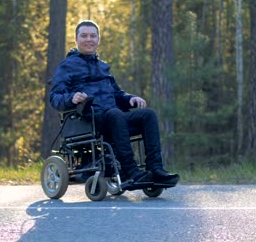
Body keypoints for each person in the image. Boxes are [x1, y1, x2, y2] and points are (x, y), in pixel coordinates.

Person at [49, 20, 179, 185]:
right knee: (115, 114)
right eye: (84, 36)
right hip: (89, 120)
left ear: (98, 39)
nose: (89, 39)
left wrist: (130, 98)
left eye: (92, 36)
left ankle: (156, 169)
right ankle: (130, 171)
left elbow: (117, 94)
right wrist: (71, 98)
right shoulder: (66, 66)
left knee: (148, 115)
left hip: (114, 118)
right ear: (76, 39)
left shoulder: (103, 66)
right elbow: (54, 97)